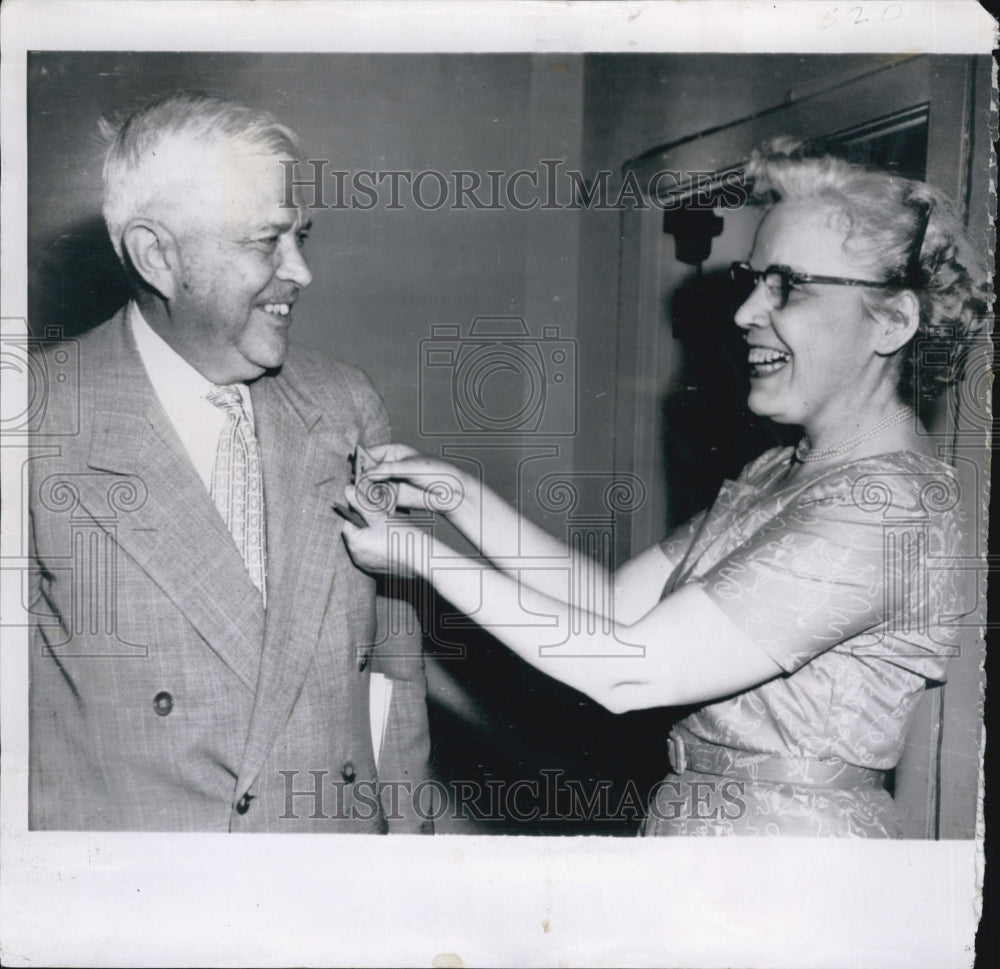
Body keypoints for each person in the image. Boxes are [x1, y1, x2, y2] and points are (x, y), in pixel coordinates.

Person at [342, 142, 988, 837]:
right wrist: (458, 500)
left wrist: (421, 556)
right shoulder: (783, 471)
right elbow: (615, 604)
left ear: (892, 321)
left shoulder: (886, 509)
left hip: (790, 871)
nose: (745, 311)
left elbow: (628, 671)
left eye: (789, 287)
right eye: (753, 279)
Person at [28, 92, 432, 833]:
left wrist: (404, 859)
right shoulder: (34, 419)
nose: (302, 271)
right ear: (158, 255)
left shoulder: (346, 404)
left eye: (301, 236)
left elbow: (393, 671)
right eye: (266, 241)